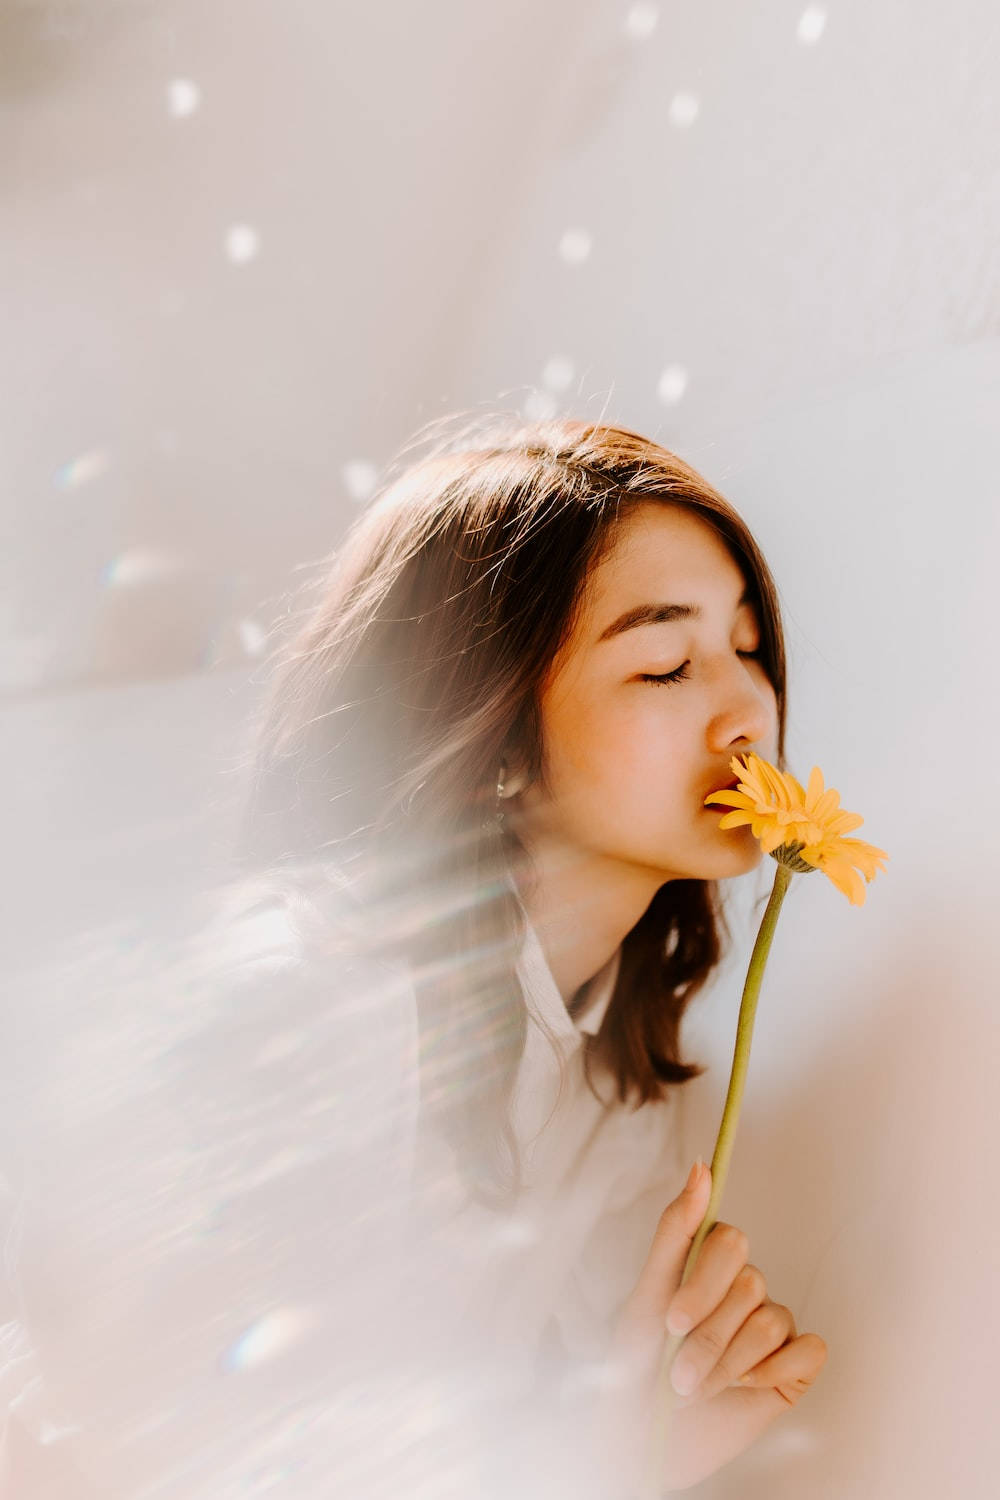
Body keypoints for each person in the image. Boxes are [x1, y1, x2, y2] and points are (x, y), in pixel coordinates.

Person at [238, 414, 828, 1496]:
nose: (748, 709)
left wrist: (652, 1443)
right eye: (667, 665)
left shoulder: (627, 1080)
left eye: (747, 649)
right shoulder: (315, 1003)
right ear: (494, 738)